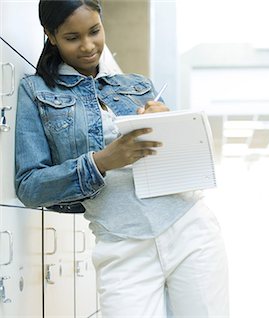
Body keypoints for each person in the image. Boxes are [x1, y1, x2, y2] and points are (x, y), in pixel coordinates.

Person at [14, 1, 229, 317]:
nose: (88, 46)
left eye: (95, 31)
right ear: (51, 35)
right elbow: (29, 185)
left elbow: (178, 157)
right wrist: (102, 161)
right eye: (73, 37)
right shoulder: (36, 91)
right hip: (121, 245)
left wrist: (168, 122)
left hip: (190, 228)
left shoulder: (137, 85)